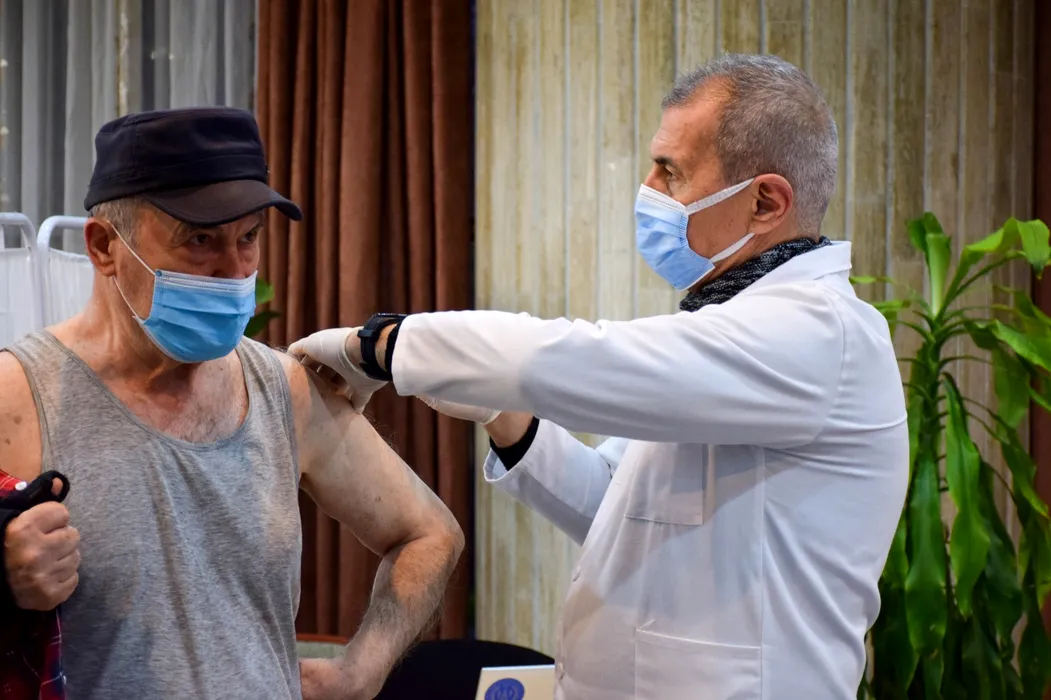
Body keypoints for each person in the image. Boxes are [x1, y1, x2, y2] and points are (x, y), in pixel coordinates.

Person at [290, 54, 909, 700]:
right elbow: (611, 506)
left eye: (670, 172)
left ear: (764, 202)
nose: (647, 188)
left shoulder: (816, 335)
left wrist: (379, 346)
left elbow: (578, 356)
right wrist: (505, 417)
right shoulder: (731, 329)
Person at [0, 107, 464, 700]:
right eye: (200, 240)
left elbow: (429, 534)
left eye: (248, 238)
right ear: (104, 247)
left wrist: (361, 671)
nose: (234, 271)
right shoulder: (21, 396)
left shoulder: (283, 390)